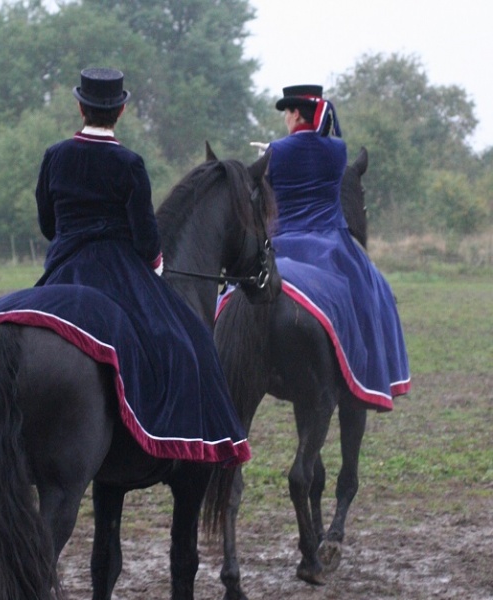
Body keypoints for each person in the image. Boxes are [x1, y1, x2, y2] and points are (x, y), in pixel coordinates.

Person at [32, 67, 249, 463]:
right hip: (119, 270)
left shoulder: (55, 156)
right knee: (191, 341)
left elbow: (49, 225)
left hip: (65, 266)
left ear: (80, 107)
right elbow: (147, 237)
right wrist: (155, 264)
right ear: (122, 111)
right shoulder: (129, 163)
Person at [266, 84, 410, 409]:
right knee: (377, 293)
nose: (285, 119)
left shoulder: (275, 150)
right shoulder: (338, 150)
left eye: (287, 113)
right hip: (331, 243)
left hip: (282, 242)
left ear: (296, 113)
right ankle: (377, 371)